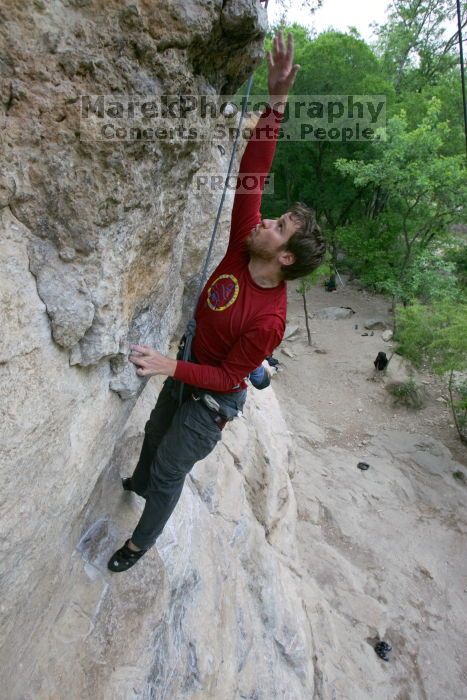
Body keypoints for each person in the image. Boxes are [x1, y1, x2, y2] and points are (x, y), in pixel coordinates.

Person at [108, 30, 326, 572]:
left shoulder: (269, 320)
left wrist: (168, 365)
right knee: (154, 435)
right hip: (188, 369)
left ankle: (140, 543)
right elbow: (253, 173)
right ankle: (134, 483)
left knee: (168, 470)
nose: (265, 220)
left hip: (211, 402)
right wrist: (276, 103)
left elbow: (232, 379)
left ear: (287, 259)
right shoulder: (241, 246)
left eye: (277, 226)